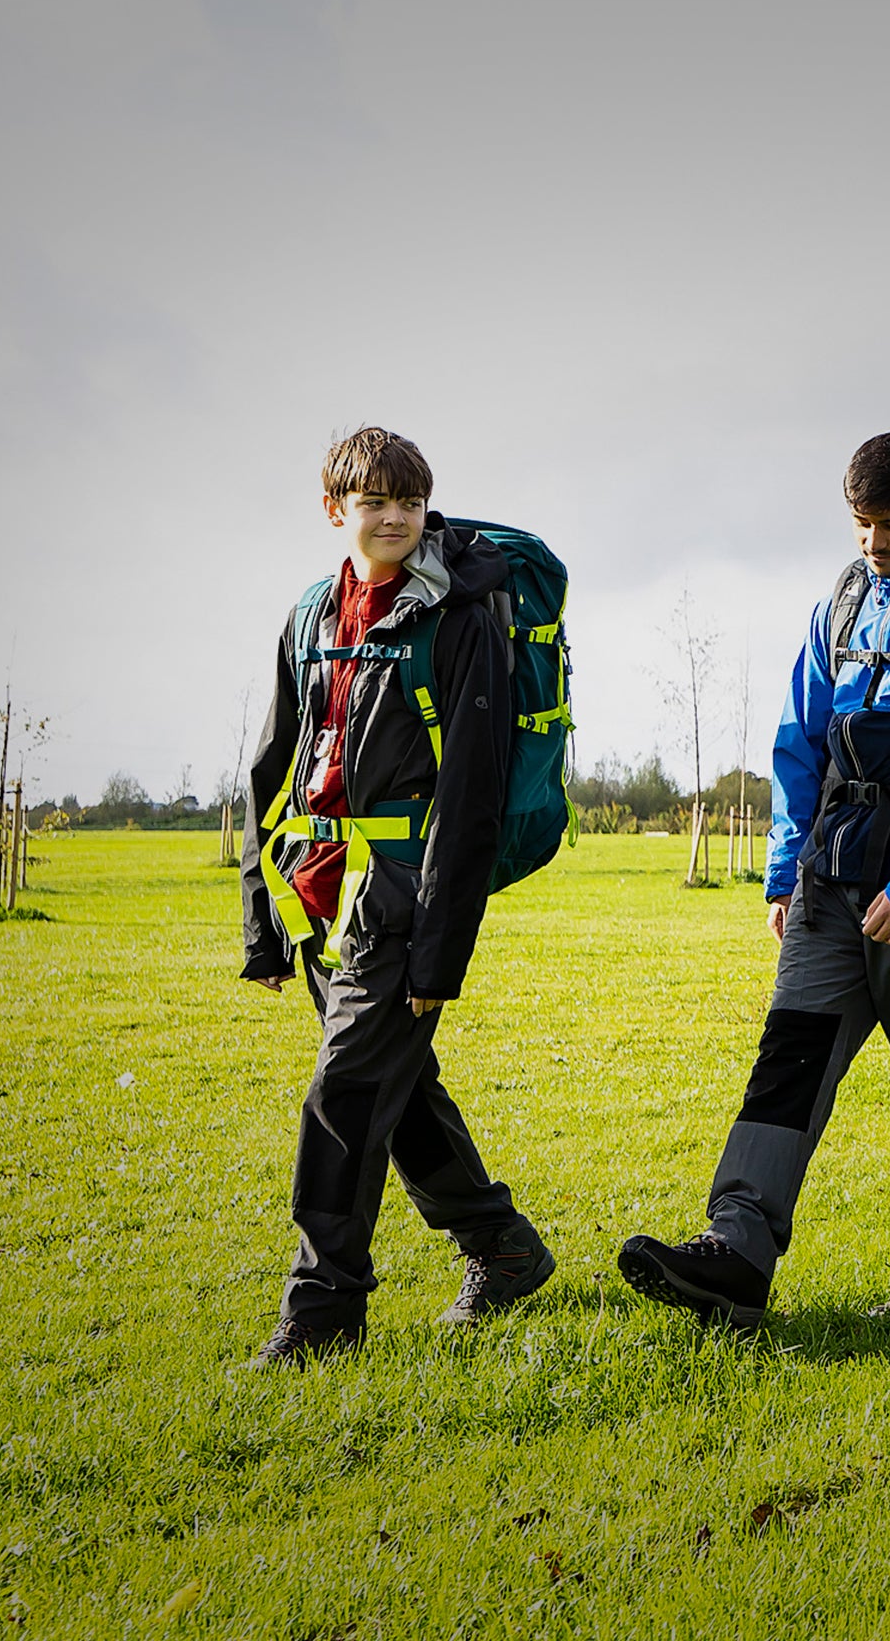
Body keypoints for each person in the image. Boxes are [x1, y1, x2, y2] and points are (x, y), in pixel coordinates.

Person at [617, 431, 890, 1327]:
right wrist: (781, 870)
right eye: (860, 525)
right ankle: (736, 1251)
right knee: (788, 1059)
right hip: (830, 877)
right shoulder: (841, 602)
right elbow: (797, 740)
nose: (873, 543)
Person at [236, 426, 553, 1365]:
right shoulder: (309, 614)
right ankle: (503, 1249)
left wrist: (438, 952)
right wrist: (264, 912)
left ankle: (321, 1314)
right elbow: (273, 763)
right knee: (396, 1087)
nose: (396, 520)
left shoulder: (462, 616)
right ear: (336, 510)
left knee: (345, 1091)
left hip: (402, 894)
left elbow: (474, 797)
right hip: (317, 897)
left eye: (410, 504)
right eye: (375, 504)